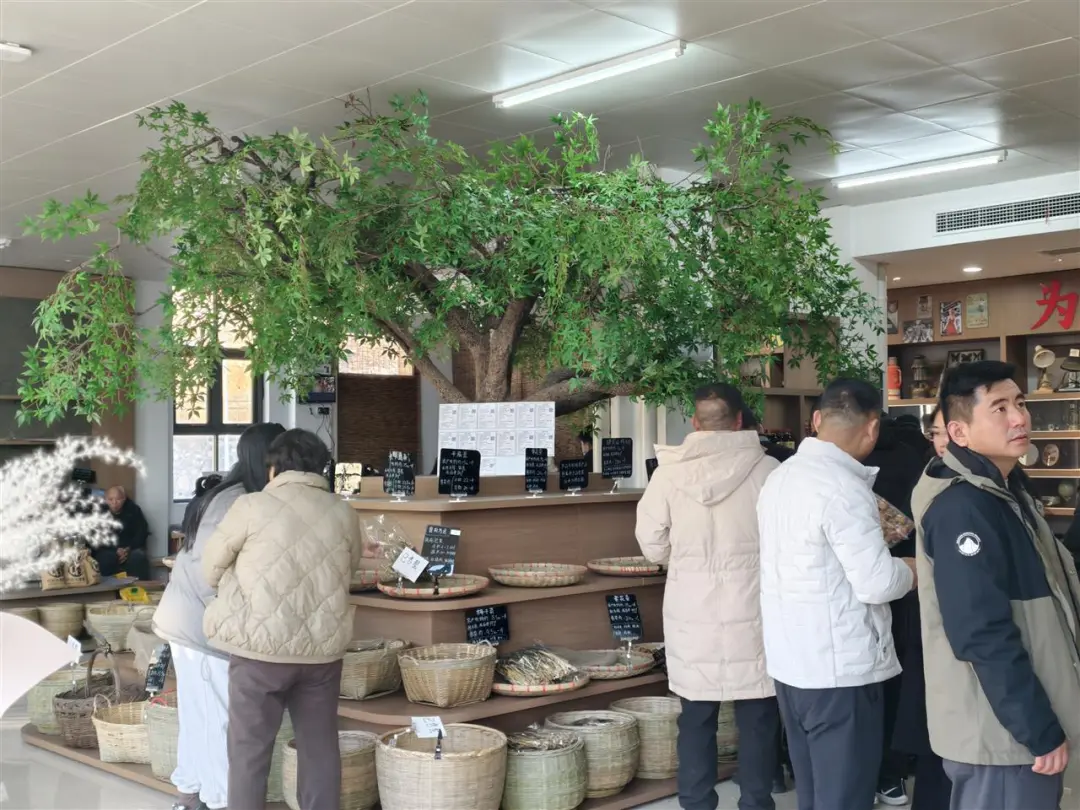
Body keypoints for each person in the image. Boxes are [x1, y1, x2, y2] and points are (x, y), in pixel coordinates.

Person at [911, 361, 1080, 810]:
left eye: (1020, 403)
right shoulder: (963, 508)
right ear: (959, 432)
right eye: (1000, 408)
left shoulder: (1007, 492)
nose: (1019, 418)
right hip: (1001, 739)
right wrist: (1037, 729)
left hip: (1023, 729)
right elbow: (981, 632)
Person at [758, 378, 917, 810]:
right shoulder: (844, 488)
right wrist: (911, 570)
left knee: (814, 791)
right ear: (873, 427)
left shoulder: (779, 478)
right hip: (840, 670)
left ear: (815, 420)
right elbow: (876, 582)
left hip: (790, 662)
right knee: (844, 794)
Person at [637, 384, 782, 810]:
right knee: (758, 717)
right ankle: (756, 801)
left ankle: (697, 802)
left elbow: (651, 544)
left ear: (695, 424)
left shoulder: (669, 474)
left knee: (696, 718)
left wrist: (685, 561)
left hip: (690, 611)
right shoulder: (768, 470)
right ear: (739, 421)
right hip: (754, 609)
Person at [203, 429, 363, 810]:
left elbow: (209, 567)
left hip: (259, 651)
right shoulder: (343, 511)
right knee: (320, 749)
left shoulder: (251, 506)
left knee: (249, 751)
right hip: (321, 653)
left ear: (274, 468)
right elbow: (352, 568)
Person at [152, 423, 285, 810]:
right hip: (203, 627)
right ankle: (220, 800)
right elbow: (211, 575)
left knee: (199, 717)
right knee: (217, 721)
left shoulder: (232, 494)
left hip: (191, 622)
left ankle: (188, 797)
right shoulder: (235, 502)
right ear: (267, 459)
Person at [862, 414, 951, 809]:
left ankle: (874, 772)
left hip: (863, 592)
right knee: (909, 679)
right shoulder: (920, 463)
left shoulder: (852, 469)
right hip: (916, 583)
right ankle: (896, 770)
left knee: (873, 688)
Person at [93, 485, 151, 581]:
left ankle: (139, 587)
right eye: (110, 499)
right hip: (107, 548)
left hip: (131, 548)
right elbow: (95, 537)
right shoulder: (99, 512)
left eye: (118, 499)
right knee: (106, 559)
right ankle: (109, 589)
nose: (114, 503)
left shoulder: (134, 509)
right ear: (105, 499)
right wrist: (115, 550)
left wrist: (128, 548)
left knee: (138, 557)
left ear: (124, 499)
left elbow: (141, 532)